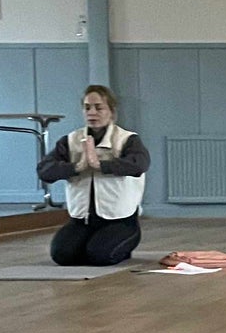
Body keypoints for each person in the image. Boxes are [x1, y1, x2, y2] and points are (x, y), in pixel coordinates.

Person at [37, 85, 149, 266]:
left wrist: (100, 165)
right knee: (62, 255)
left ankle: (118, 246)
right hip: (82, 220)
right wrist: (77, 167)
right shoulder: (71, 140)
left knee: (100, 256)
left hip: (119, 220)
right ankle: (92, 245)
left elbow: (140, 164)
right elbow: (44, 170)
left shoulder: (128, 139)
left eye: (98, 107)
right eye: (87, 107)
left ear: (111, 111)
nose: (92, 112)